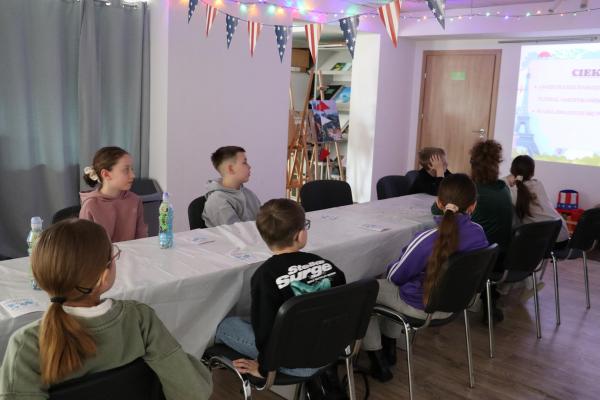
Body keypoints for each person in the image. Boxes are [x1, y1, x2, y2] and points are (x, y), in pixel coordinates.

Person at [0, 219, 212, 399]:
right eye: (114, 256)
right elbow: (193, 392)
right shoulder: (139, 320)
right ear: (103, 277)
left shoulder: (26, 344)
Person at [214, 199, 346, 398]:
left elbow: (265, 330)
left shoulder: (265, 275)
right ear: (300, 235)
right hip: (332, 351)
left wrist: (264, 369)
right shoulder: (326, 264)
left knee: (225, 325)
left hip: (296, 362)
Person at [363, 174, 488, 382]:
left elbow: (395, 276)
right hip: (456, 303)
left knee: (364, 290)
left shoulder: (427, 239)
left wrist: (392, 266)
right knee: (395, 284)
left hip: (423, 307)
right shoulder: (479, 233)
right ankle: (390, 347)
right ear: (473, 206)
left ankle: (378, 360)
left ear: (439, 203)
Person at [79, 146, 147, 242]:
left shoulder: (135, 200)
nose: (133, 175)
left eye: (132, 169)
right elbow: (86, 246)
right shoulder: (90, 205)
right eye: (126, 170)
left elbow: (142, 239)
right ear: (106, 174)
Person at [505, 155, 569, 243]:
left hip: (548, 241)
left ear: (512, 171)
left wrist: (508, 179)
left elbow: (498, 183)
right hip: (562, 234)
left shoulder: (511, 191)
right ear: (532, 172)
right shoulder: (538, 184)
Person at [202, 146, 261, 228]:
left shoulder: (248, 193)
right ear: (231, 169)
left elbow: (264, 222)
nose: (249, 166)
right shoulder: (217, 201)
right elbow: (237, 233)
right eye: (244, 163)